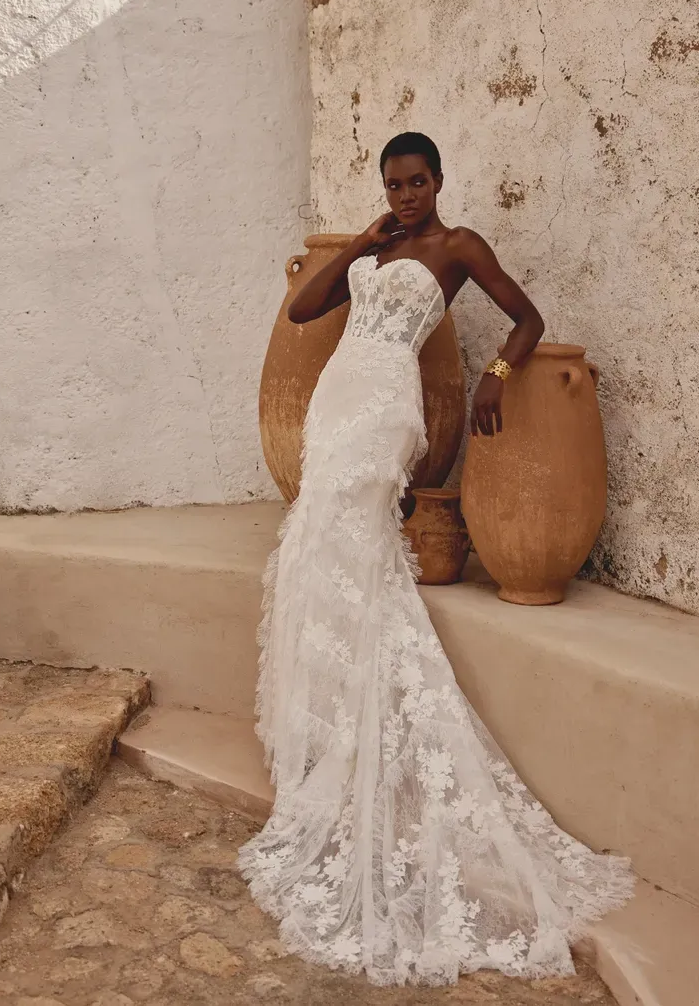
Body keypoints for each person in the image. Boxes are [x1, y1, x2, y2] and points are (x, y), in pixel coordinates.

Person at [239, 133, 633, 986]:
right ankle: (338, 736)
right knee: (323, 549)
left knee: (354, 543)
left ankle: (373, 738)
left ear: (439, 182)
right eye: (394, 184)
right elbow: (306, 309)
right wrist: (361, 241)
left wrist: (496, 369)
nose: (408, 194)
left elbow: (527, 318)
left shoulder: (458, 249)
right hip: (338, 397)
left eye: (418, 183)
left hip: (386, 406)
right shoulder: (379, 244)